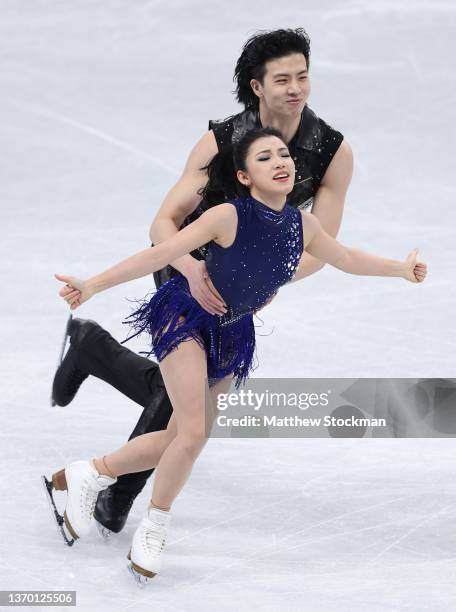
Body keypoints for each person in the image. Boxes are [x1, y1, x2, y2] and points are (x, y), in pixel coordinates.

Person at [46, 127, 427, 581]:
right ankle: (156, 524)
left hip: (233, 333)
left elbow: (344, 258)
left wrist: (400, 269)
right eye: (265, 158)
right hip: (185, 317)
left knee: (181, 440)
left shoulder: (303, 226)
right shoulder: (228, 216)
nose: (281, 162)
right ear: (245, 177)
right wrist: (92, 285)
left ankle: (91, 471)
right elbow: (160, 254)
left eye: (284, 154)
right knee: (188, 434)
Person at [52, 27, 354, 536]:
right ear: (257, 87)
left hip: (246, 281)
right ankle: (114, 498)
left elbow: (320, 247)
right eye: (282, 79)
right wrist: (193, 269)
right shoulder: (222, 142)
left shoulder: (331, 152)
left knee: (184, 391)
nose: (296, 88)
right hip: (183, 265)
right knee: (185, 407)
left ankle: (92, 347)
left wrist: (271, 281)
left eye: (303, 75)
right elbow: (163, 223)